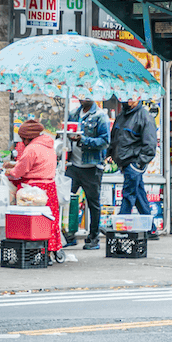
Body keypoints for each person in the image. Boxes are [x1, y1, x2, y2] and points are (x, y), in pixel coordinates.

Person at [4, 119, 62, 256]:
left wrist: (10, 171)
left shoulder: (31, 149)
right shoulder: (48, 146)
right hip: (49, 188)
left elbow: (20, 171)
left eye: (22, 138)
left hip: (33, 189)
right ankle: (48, 251)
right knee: (48, 219)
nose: (22, 141)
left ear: (27, 137)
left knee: (33, 222)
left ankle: (35, 251)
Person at [65, 98, 111, 250]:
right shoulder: (73, 114)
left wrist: (83, 139)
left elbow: (105, 141)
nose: (83, 98)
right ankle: (68, 235)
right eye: (81, 95)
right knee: (66, 200)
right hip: (73, 165)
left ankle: (93, 238)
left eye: (87, 95)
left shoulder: (100, 116)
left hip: (92, 167)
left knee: (93, 204)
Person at [111, 97, 159, 239]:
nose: (128, 100)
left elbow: (150, 145)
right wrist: (110, 154)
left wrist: (138, 164)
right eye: (126, 97)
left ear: (139, 98)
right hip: (125, 162)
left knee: (128, 194)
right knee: (138, 195)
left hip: (134, 163)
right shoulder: (122, 116)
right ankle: (151, 229)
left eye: (132, 97)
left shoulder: (145, 117)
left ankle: (120, 226)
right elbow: (115, 137)